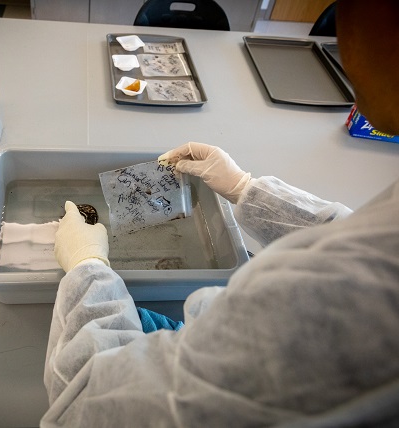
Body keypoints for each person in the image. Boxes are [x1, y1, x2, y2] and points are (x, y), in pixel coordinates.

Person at [42, 0, 399, 426]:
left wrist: (86, 270)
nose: (341, 35)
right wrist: (247, 189)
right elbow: (360, 237)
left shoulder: (350, 302)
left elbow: (87, 405)